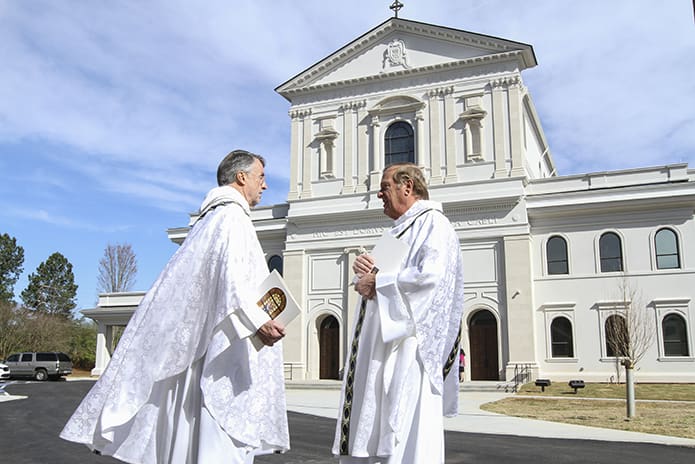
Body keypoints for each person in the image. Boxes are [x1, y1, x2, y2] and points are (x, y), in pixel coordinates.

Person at [61, 150, 290, 464]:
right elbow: (234, 279)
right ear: (241, 177)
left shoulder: (210, 220)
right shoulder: (232, 218)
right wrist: (258, 322)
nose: (264, 186)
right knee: (213, 442)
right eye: (261, 177)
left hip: (199, 351)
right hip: (218, 356)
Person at [333, 163, 465, 463]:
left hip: (408, 352)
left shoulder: (434, 224)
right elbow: (377, 283)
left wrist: (377, 281)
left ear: (407, 186)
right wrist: (365, 272)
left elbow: (429, 278)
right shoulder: (398, 232)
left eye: (385, 187)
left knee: (404, 434)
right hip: (383, 350)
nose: (379, 193)